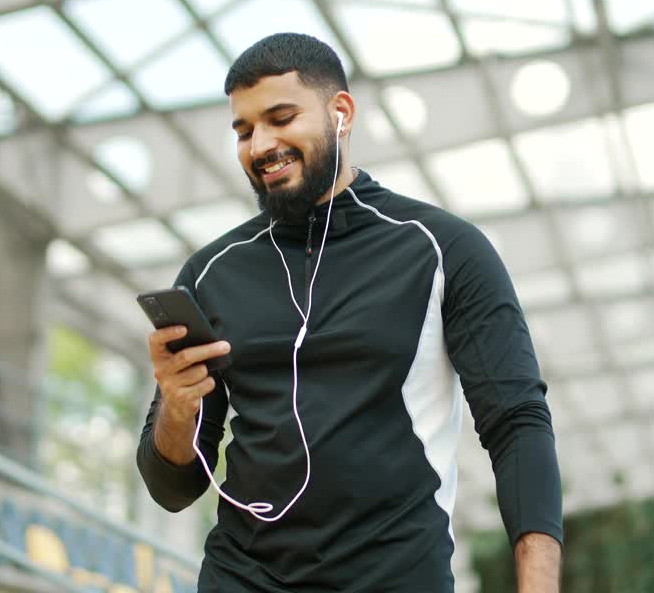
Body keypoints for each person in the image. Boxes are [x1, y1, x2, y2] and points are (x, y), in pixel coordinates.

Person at [136, 32, 563, 592]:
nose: (259, 144)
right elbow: (172, 489)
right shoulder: (211, 273)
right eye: (243, 130)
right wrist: (176, 404)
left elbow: (517, 425)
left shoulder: (442, 250)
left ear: (341, 113)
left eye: (281, 117)